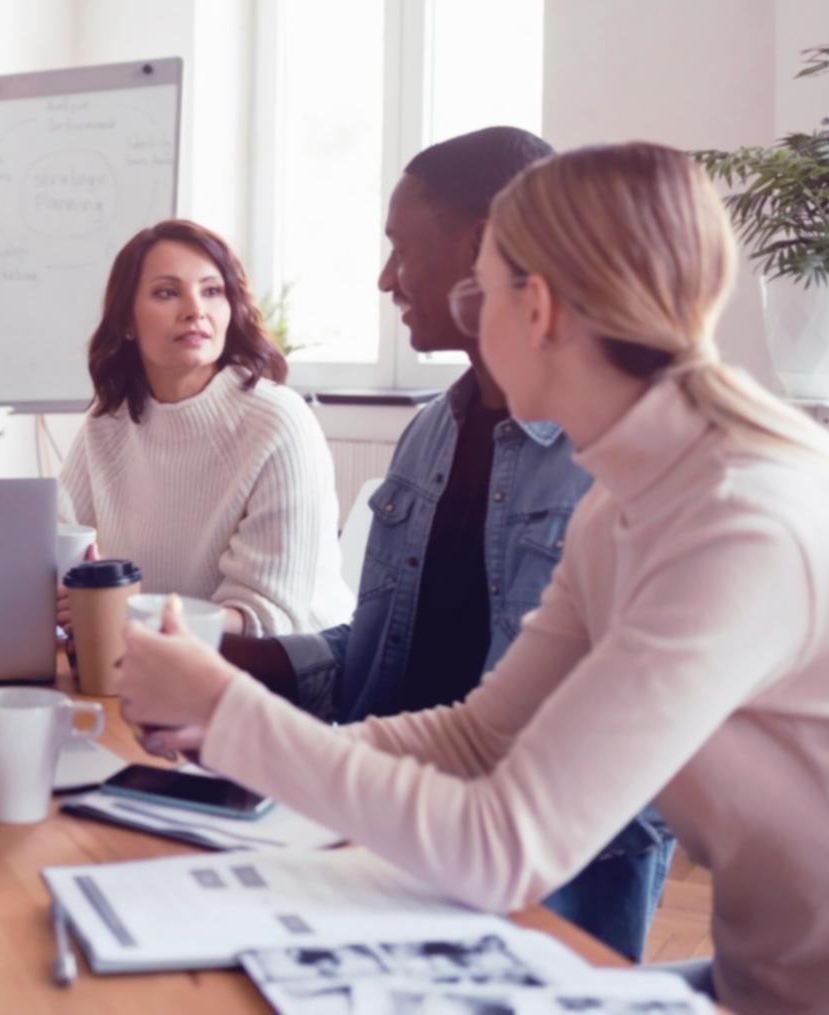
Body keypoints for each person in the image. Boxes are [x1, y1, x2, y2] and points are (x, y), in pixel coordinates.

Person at [119, 142, 829, 1013]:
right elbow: (479, 736)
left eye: (481, 290)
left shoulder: (738, 522)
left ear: (534, 307)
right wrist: (235, 749)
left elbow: (504, 844)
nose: (464, 312)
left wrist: (229, 715)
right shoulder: (619, 502)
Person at [217, 127, 672, 962]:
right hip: (385, 831)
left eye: (399, 247)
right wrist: (245, 668)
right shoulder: (431, 432)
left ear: (481, 252)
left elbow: (517, 753)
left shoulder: (617, 470)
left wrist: (247, 731)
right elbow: (399, 650)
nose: (385, 277)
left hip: (528, 881)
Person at [58, 219, 350, 637]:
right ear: (126, 321)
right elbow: (57, 545)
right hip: (157, 660)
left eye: (212, 291)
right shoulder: (107, 423)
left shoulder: (276, 420)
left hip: (293, 673)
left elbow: (266, 617)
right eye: (167, 292)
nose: (196, 310)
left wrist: (125, 613)